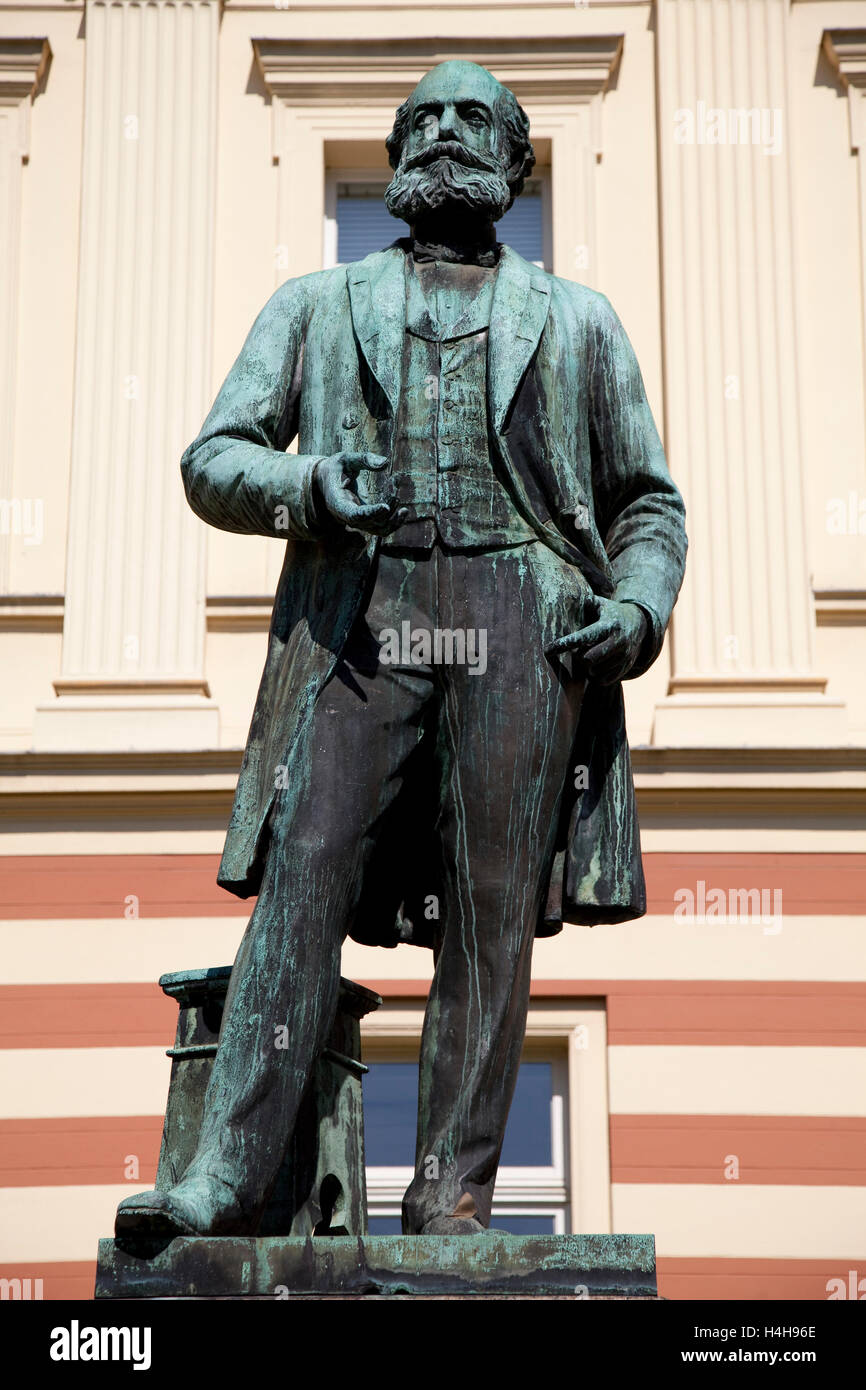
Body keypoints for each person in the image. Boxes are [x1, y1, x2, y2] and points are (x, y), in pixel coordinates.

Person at [116, 59, 686, 1239]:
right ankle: (225, 1175)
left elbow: (645, 504)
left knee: (490, 914)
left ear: (513, 160)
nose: (441, 131)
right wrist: (312, 485)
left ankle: (449, 1196)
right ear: (394, 155)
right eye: (420, 118)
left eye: (470, 117)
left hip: (523, 623)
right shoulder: (315, 305)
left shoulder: (580, 321)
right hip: (363, 619)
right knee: (302, 875)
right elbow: (213, 459)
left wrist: (635, 608)